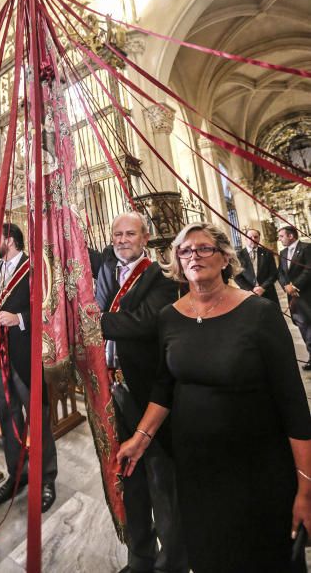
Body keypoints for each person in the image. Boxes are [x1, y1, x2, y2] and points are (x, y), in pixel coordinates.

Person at [117, 221, 311, 573]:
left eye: (204, 248)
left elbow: (294, 402)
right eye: (185, 250)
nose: (194, 255)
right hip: (197, 473)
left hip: (259, 472)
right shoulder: (169, 318)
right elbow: (164, 387)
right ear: (178, 261)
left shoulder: (259, 313)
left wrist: (307, 486)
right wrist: (140, 439)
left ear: (224, 258)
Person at [96, 211, 188, 573]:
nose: (121, 239)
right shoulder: (106, 272)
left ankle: (172, 563)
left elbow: (144, 323)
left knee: (162, 480)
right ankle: (140, 558)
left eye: (129, 234)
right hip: (113, 390)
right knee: (129, 479)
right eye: (116, 234)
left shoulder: (162, 278)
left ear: (145, 237)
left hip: (149, 392)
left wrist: (93, 321)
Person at [0, 223, 58, 512]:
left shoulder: (33, 268)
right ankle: (17, 474)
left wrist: (18, 318)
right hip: (0, 357)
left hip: (26, 355)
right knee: (7, 418)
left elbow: (48, 307)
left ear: (11, 240)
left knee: (38, 420)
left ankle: (46, 479)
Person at [278, 225, 311, 370]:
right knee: (303, 327)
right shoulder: (283, 252)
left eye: (281, 236)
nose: (279, 239)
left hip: (306, 294)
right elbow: (281, 273)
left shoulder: (306, 248)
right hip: (293, 298)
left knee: (309, 326)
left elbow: (309, 269)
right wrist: (286, 286)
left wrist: (295, 286)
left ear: (291, 236)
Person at [235, 227, 279, 303]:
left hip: (267, 292)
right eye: (250, 237)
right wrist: (251, 290)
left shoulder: (267, 253)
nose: (253, 239)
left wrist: (262, 287)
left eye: (256, 237)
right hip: (248, 294)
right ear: (245, 239)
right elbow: (237, 276)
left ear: (259, 238)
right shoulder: (239, 255)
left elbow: (273, 274)